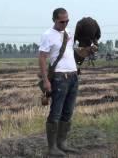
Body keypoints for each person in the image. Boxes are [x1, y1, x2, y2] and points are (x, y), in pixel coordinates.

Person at [38, 8, 78, 156]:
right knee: (56, 112)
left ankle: (62, 143)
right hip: (60, 78)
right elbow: (42, 57)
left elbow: (71, 52)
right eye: (62, 21)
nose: (65, 23)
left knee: (68, 112)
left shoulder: (69, 33)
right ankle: (52, 147)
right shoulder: (48, 35)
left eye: (67, 20)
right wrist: (46, 80)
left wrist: (88, 50)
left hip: (73, 76)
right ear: (54, 20)